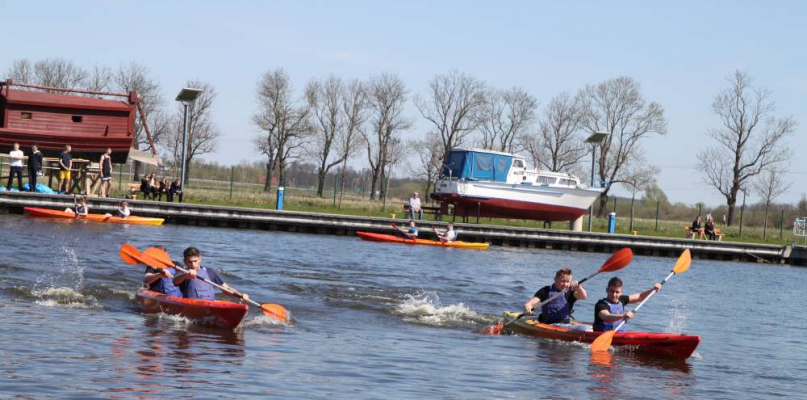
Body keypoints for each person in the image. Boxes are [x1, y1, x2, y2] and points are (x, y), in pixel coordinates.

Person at [172, 246, 249, 301]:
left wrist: (240, 295)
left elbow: (226, 289)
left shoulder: (210, 272)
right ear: (185, 261)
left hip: (210, 304)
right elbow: (175, 281)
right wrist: (186, 275)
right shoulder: (182, 272)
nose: (193, 264)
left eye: (195, 261)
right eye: (189, 262)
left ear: (199, 259)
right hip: (191, 304)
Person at [592, 277, 662, 332]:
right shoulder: (601, 304)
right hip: (602, 334)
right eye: (612, 291)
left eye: (617, 292)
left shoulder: (621, 300)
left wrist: (653, 289)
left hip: (621, 333)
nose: (614, 294)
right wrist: (623, 315)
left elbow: (640, 296)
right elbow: (606, 317)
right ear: (607, 290)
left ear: (621, 292)